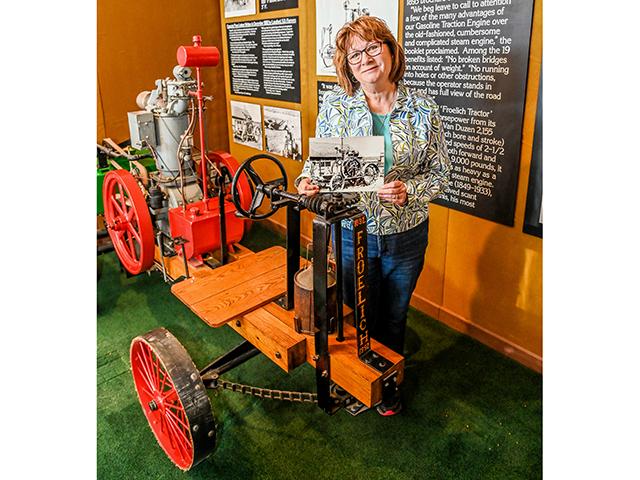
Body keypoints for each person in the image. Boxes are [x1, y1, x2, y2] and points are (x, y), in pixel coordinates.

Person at [295, 16, 451, 415]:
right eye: (354, 54)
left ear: (389, 50)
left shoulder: (423, 108)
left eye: (372, 48)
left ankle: (389, 385)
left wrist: (409, 190)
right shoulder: (336, 109)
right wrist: (307, 183)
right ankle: (354, 380)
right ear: (347, 66)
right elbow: (316, 169)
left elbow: (441, 173)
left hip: (407, 234)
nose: (365, 59)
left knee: (394, 313)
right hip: (352, 232)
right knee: (354, 311)